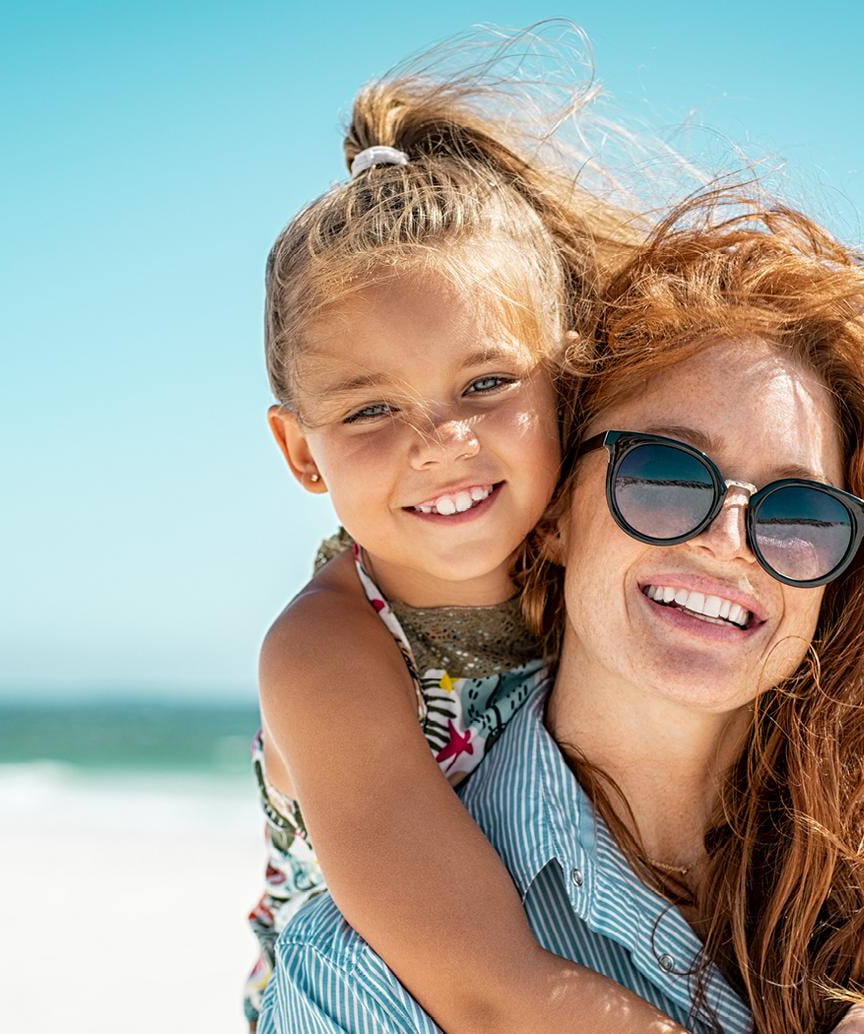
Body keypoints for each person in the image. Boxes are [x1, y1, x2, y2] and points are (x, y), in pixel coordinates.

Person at [261, 185, 864, 1033]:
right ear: (556, 517)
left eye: (797, 513)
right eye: (665, 476)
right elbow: (494, 989)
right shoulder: (364, 973)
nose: (728, 540)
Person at [244, 49, 685, 1032]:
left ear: (561, 384)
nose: (442, 442)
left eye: (486, 383)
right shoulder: (330, 651)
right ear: (300, 451)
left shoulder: (604, 556)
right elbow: (491, 992)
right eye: (368, 410)